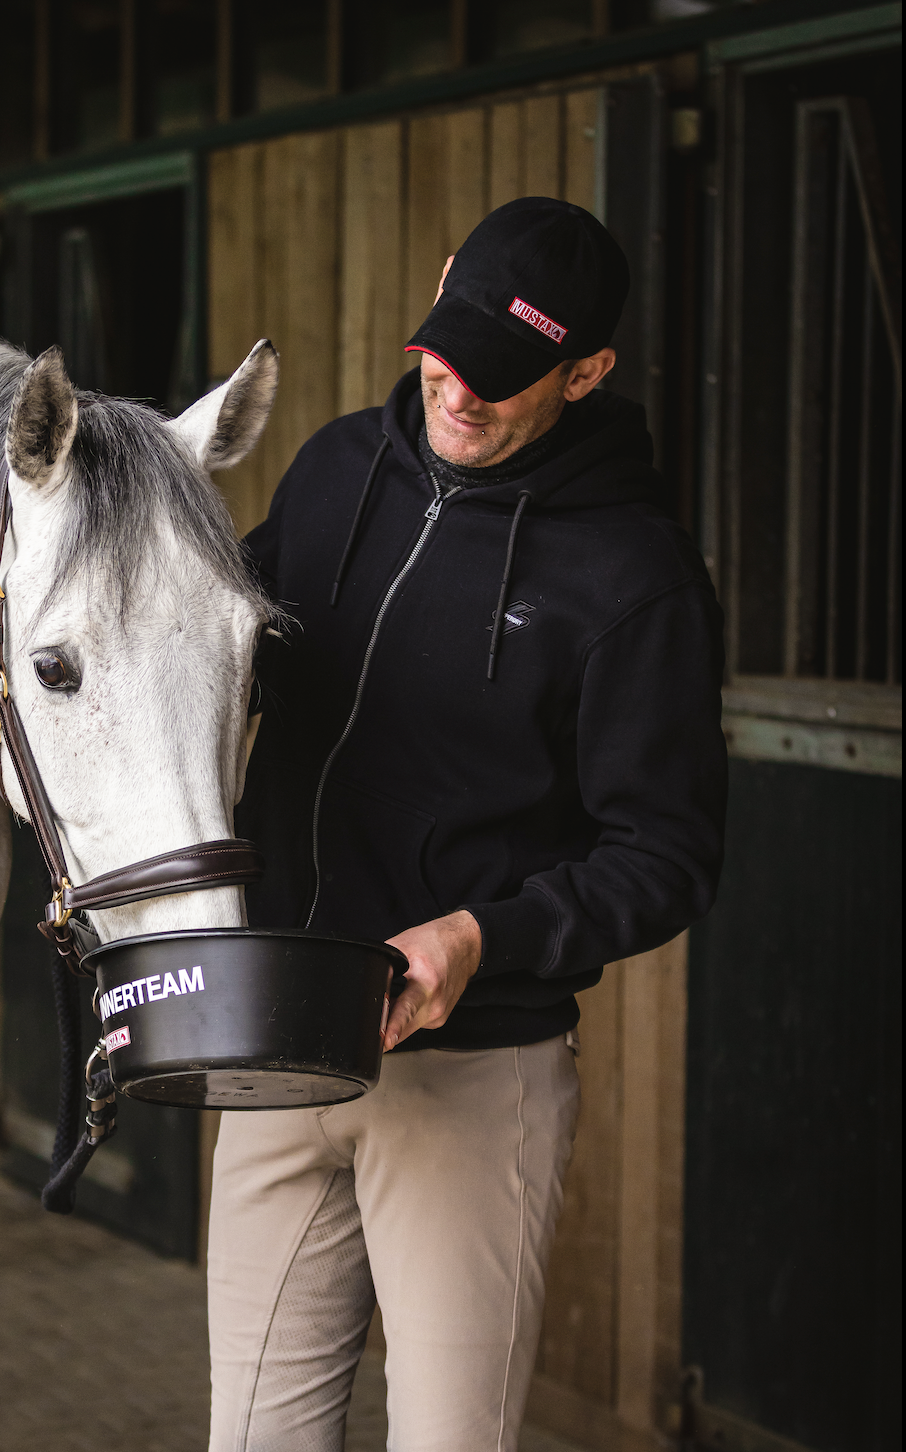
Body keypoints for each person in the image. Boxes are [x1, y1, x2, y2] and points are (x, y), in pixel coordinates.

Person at [209, 197, 727, 1451]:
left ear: (586, 373)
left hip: (467, 1071)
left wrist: (475, 938)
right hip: (277, 1040)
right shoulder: (335, 468)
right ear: (440, 286)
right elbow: (235, 664)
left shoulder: (630, 575)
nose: (458, 392)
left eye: (503, 377)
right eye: (446, 351)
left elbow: (663, 855)